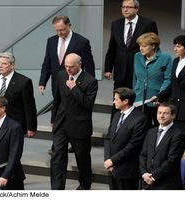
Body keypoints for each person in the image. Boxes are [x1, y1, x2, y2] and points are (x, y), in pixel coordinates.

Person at [39, 15, 95, 153]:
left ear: (69, 25)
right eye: (57, 30)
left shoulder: (81, 41)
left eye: (62, 30)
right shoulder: (51, 41)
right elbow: (47, 63)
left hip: (76, 84)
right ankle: (57, 144)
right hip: (57, 84)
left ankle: (73, 141)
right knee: (58, 111)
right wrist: (42, 81)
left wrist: (89, 84)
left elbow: (89, 64)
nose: (59, 33)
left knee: (73, 112)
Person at [50, 53, 98, 190]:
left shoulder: (90, 81)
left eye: (71, 67)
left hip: (79, 125)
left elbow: (88, 104)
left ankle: (84, 185)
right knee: (57, 156)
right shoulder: (61, 75)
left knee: (82, 158)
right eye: (66, 66)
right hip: (61, 123)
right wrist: (54, 119)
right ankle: (57, 188)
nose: (68, 69)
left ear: (79, 64)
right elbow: (57, 99)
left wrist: (74, 88)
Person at [104, 0, 158, 118]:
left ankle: (133, 127)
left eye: (129, 7)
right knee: (118, 100)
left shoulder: (148, 24)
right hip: (120, 70)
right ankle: (114, 128)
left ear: (137, 9)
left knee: (135, 101)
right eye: (123, 7)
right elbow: (112, 47)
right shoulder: (116, 24)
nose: (125, 9)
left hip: (139, 70)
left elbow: (155, 47)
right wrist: (108, 68)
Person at [0, 51, 37, 138]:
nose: (0, 66)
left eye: (4, 64)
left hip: (15, 124)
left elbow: (29, 107)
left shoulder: (24, 81)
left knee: (13, 150)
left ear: (12, 65)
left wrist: (31, 127)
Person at [155, 35, 185, 160]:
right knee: (175, 136)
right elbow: (173, 85)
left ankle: (184, 166)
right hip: (175, 107)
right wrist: (160, 97)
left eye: (178, 46)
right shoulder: (176, 61)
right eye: (175, 46)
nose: (175, 49)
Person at [104, 87, 148, 190]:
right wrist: (107, 159)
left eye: (116, 99)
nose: (113, 101)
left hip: (127, 170)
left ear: (125, 101)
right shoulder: (116, 115)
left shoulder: (140, 119)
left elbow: (133, 146)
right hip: (112, 168)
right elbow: (108, 138)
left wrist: (113, 160)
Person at [139, 102, 185, 190]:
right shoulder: (151, 132)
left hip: (166, 184)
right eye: (159, 113)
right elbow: (143, 155)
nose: (161, 116)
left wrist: (153, 177)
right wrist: (144, 173)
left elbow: (172, 161)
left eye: (165, 113)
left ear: (173, 116)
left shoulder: (178, 135)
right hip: (147, 182)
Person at [133, 32, 172, 128]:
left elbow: (168, 79)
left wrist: (160, 95)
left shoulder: (165, 58)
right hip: (139, 99)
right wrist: (134, 92)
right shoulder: (137, 56)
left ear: (153, 46)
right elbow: (135, 77)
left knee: (158, 128)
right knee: (140, 128)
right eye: (140, 46)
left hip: (156, 100)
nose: (141, 48)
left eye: (144, 46)